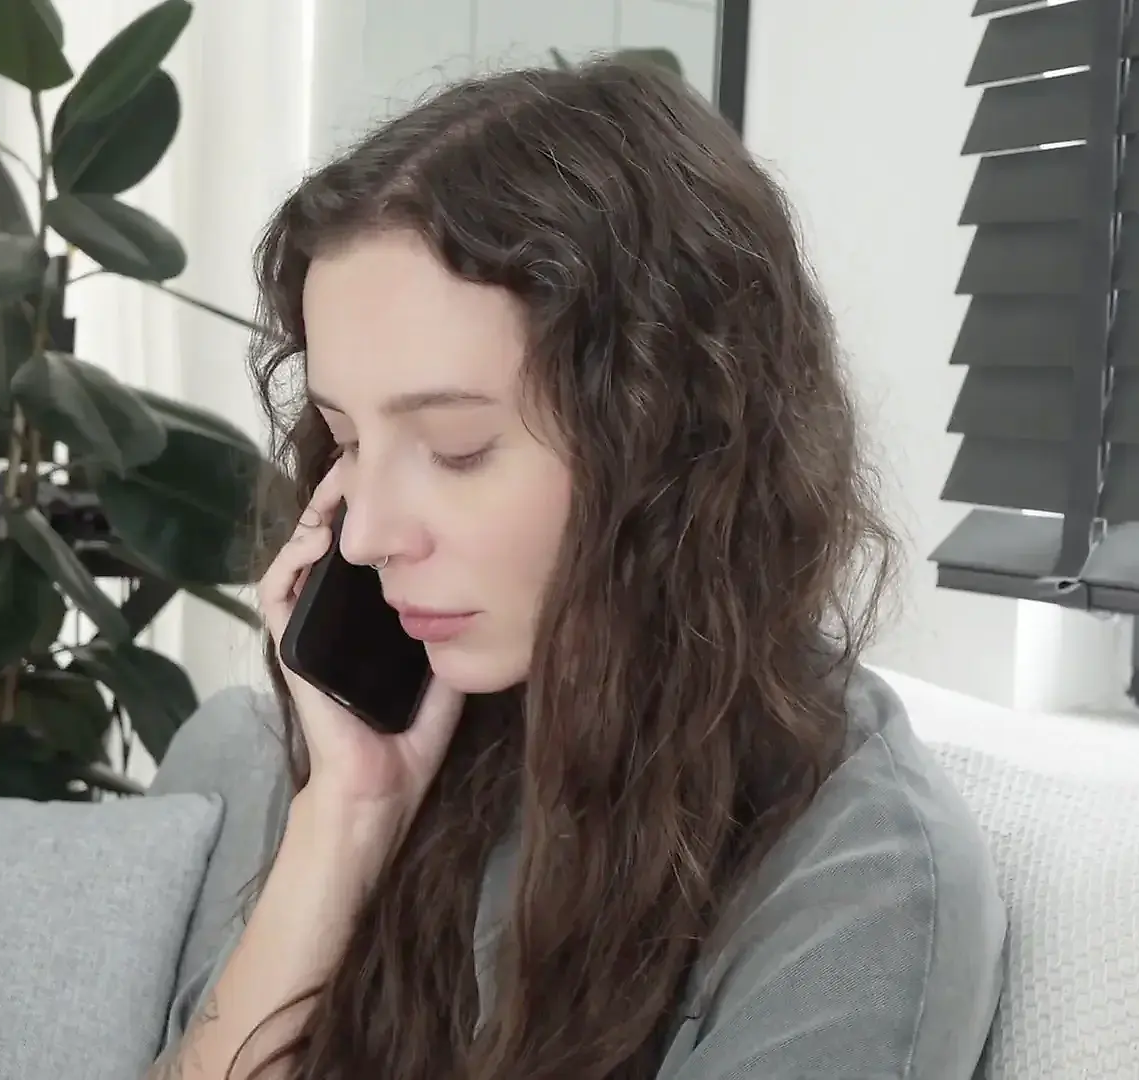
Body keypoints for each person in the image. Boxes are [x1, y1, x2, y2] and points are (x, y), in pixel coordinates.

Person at [151, 59, 1007, 1080]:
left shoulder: (858, 883)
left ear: (672, 444)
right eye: (346, 441)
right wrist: (350, 817)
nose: (365, 534)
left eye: (458, 448)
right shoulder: (377, 753)